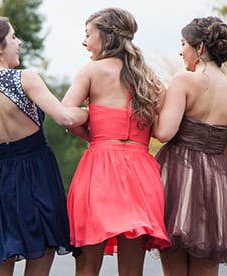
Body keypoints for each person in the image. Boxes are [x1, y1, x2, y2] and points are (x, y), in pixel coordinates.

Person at [0, 15, 88, 276]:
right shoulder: (24, 78)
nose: (19, 42)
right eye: (13, 37)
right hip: (38, 179)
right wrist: (93, 112)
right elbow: (65, 117)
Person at [62, 8, 170, 276]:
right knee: (133, 270)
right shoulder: (151, 79)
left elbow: (65, 115)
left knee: (87, 267)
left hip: (99, 170)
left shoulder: (90, 71)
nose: (84, 41)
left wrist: (95, 128)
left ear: (107, 36)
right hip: (142, 174)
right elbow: (161, 129)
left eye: (88, 34)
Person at [153, 16, 227, 276]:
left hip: (177, 180)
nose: (180, 51)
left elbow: (164, 132)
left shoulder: (183, 81)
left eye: (183, 44)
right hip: (216, 185)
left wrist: (156, 101)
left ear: (199, 48)